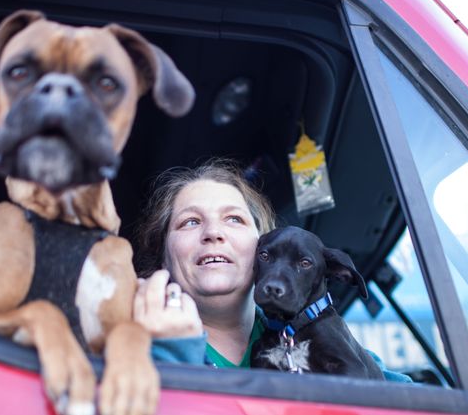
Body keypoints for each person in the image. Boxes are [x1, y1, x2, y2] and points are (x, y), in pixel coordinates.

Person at [134, 159, 411, 381]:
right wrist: (173, 353)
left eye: (234, 219)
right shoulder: (131, 346)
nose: (213, 232)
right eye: (190, 222)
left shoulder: (322, 339)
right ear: (163, 258)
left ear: (260, 244)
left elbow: (413, 410)